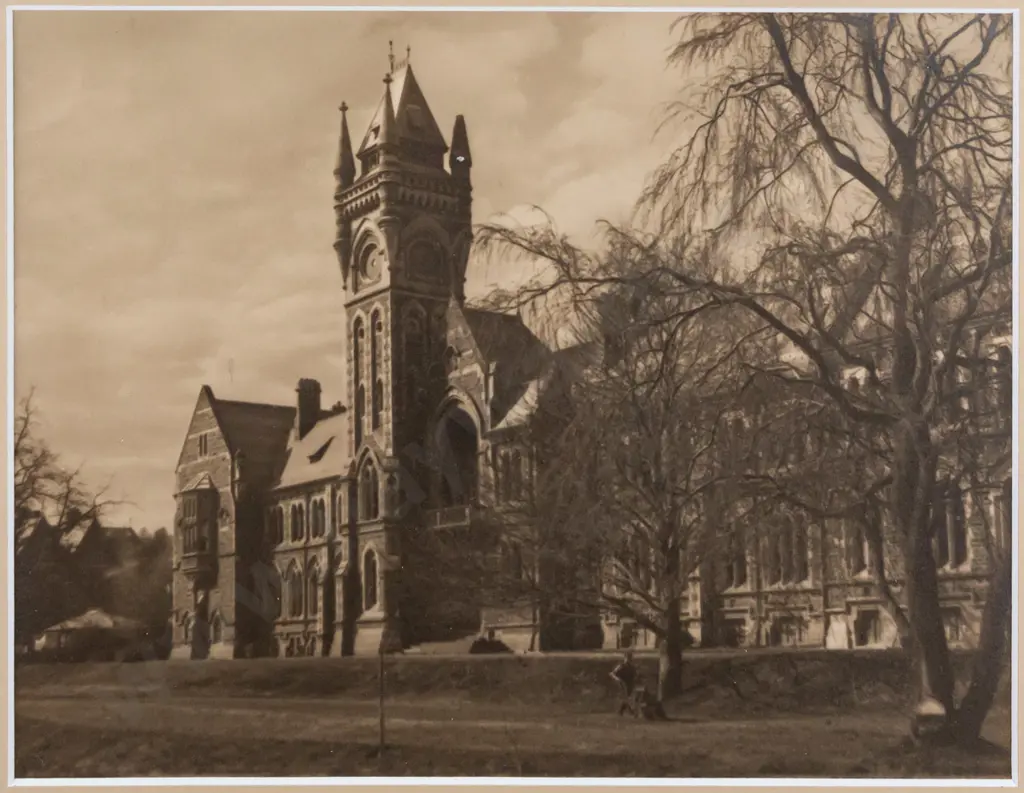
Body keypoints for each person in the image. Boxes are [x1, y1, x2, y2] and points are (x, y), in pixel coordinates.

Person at [610, 651, 639, 716]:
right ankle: (632, 712)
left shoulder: (632, 667)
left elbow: (635, 676)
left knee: (628, 699)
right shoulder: (621, 666)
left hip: (630, 685)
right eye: (628, 658)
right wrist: (617, 679)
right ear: (625, 658)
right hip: (623, 685)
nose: (629, 659)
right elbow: (612, 674)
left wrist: (636, 680)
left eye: (630, 658)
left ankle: (622, 711)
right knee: (627, 699)